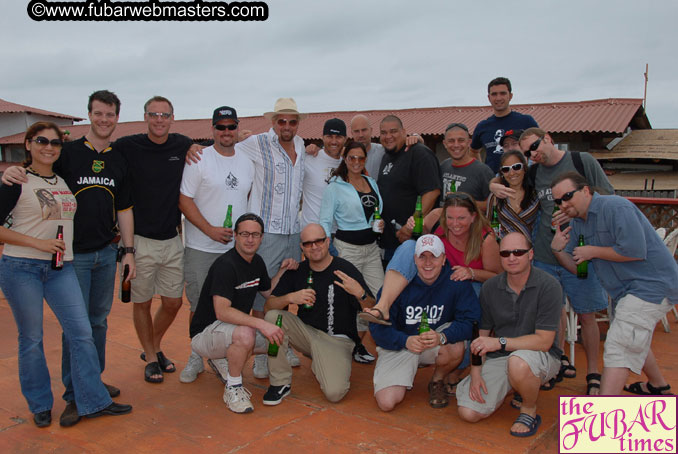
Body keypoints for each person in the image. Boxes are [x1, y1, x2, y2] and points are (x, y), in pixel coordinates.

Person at [1, 90, 135, 426]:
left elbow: (122, 206)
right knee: (33, 338)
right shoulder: (24, 176)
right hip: (25, 265)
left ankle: (89, 394)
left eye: (54, 143)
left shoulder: (61, 178)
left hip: (70, 262)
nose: (49, 148)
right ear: (29, 144)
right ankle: (48, 402)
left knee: (86, 329)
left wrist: (128, 249)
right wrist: (9, 174)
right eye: (42, 141)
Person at [550, 172, 678, 396]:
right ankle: (657, 385)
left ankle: (605, 413)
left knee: (618, 345)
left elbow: (635, 251)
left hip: (651, 286)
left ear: (586, 190)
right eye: (558, 201)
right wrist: (558, 250)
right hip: (624, 292)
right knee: (631, 336)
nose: (563, 204)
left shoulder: (616, 207)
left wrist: (591, 251)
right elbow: (580, 269)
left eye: (568, 196)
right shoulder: (578, 224)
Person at [513, 127, 614, 394]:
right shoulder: (534, 173)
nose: (533, 154)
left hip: (581, 254)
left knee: (587, 314)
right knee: (550, 315)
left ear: (547, 138)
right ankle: (555, 364)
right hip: (546, 255)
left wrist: (576, 210)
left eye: (535, 146)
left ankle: (593, 371)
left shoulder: (582, 161)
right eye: (527, 153)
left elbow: (608, 196)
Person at [116, 96, 196, 383]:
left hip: (173, 239)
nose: (159, 120)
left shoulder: (183, 144)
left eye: (165, 115)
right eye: (154, 114)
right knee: (142, 302)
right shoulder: (127, 146)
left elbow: (213, 151)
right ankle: (151, 357)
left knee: (174, 302)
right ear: (145, 117)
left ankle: (153, 344)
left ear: (172, 118)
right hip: (139, 241)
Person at [456, 232, 562, 438]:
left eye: (518, 252)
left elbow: (544, 341)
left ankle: (529, 409)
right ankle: (516, 386)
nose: (511, 257)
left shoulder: (549, 286)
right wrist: (476, 372)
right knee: (468, 412)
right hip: (503, 356)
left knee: (519, 363)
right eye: (505, 253)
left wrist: (500, 342)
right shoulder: (490, 288)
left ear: (530, 254)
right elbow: (482, 336)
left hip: (541, 355)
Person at [189, 213, 296, 413]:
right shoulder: (225, 265)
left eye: (255, 235)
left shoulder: (257, 262)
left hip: (230, 329)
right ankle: (234, 388)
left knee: (279, 337)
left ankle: (223, 359)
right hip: (205, 334)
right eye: (245, 234)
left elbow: (267, 292)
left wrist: (282, 271)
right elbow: (222, 312)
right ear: (236, 236)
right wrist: (262, 324)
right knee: (247, 333)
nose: (250, 239)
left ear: (262, 237)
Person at [178, 106, 254, 384]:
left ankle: (221, 357)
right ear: (212, 129)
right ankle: (196, 356)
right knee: (199, 306)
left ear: (237, 128)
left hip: (235, 253)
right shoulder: (198, 158)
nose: (226, 132)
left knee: (232, 307)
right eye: (220, 127)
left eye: (230, 127)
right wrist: (209, 230)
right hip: (201, 248)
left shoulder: (246, 160)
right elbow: (184, 200)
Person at [262, 224, 375, 405]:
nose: (314, 247)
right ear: (302, 247)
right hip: (307, 334)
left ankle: (323, 361)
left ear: (327, 241)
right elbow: (269, 307)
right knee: (274, 317)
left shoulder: (344, 268)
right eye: (308, 243)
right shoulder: (298, 270)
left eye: (319, 241)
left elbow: (372, 309)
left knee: (335, 393)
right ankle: (280, 383)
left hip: (337, 341)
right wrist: (291, 297)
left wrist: (359, 293)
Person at [235, 98, 306, 378]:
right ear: (273, 122)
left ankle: (281, 342)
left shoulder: (301, 145)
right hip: (267, 233)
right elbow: (223, 147)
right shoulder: (256, 143)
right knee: (259, 294)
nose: (286, 126)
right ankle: (262, 350)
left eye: (292, 121)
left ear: (298, 123)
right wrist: (192, 147)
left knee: (283, 289)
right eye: (281, 121)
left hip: (292, 230)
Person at [370, 235, 480, 411]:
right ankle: (401, 369)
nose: (428, 262)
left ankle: (438, 379)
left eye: (434, 256)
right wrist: (404, 341)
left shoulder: (456, 282)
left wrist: (443, 336)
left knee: (456, 345)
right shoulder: (397, 282)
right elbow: (376, 327)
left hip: (434, 342)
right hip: (402, 343)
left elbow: (471, 321)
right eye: (422, 256)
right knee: (386, 402)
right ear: (414, 259)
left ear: (443, 259)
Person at [319, 141, 384, 363]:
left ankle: (375, 344)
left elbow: (374, 213)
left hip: (372, 249)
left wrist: (379, 222)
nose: (356, 162)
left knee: (380, 297)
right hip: (348, 250)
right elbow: (325, 221)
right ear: (345, 159)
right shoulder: (334, 187)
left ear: (365, 160)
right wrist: (328, 252)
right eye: (352, 158)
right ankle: (352, 345)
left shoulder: (371, 182)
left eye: (361, 158)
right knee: (350, 300)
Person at [377, 115, 441, 263]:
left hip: (413, 241)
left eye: (393, 131)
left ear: (404, 132)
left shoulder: (419, 153)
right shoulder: (386, 157)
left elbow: (432, 193)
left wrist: (409, 227)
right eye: (384, 133)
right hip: (391, 241)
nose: (388, 136)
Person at [470, 77, 538, 173]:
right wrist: (482, 172)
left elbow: (540, 147)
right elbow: (473, 151)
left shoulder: (526, 121)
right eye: (494, 94)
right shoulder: (482, 126)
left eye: (503, 93)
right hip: (493, 184)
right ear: (489, 98)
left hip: (522, 182)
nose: (498, 98)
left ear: (510, 96)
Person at [301, 118, 345, 228]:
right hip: (313, 236)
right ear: (322, 137)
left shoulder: (348, 164)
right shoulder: (308, 159)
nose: (334, 141)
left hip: (339, 234)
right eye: (329, 136)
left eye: (338, 137)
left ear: (345, 139)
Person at [485, 150, 539, 241]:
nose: (512, 173)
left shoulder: (535, 194)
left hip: (530, 250)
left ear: (524, 168)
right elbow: (488, 225)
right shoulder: (495, 196)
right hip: (502, 250)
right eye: (506, 169)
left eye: (516, 167)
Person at [439, 123, 494, 210]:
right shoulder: (443, 166)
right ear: (445, 144)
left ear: (469, 142)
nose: (456, 145)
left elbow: (493, 204)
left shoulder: (483, 171)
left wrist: (464, 203)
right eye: (451, 141)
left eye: (461, 140)